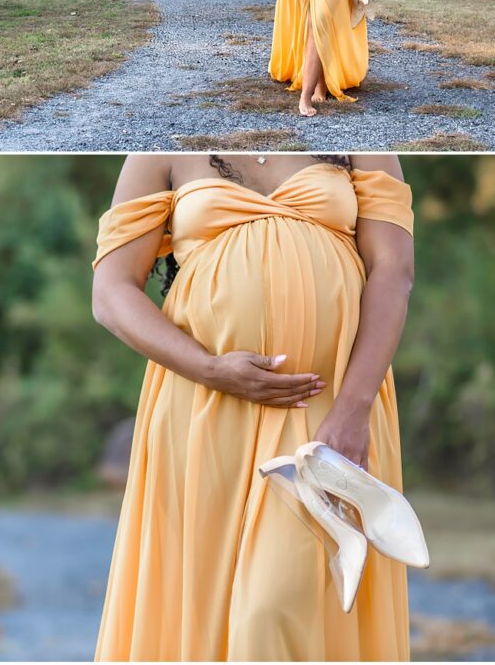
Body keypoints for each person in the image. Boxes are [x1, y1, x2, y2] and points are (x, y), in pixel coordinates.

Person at [91, 152, 414, 662]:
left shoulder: (358, 142)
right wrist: (209, 369)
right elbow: (110, 292)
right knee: (206, 606)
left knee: (274, 607)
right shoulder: (162, 151)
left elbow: (393, 270)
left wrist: (354, 408)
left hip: (327, 410)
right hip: (205, 409)